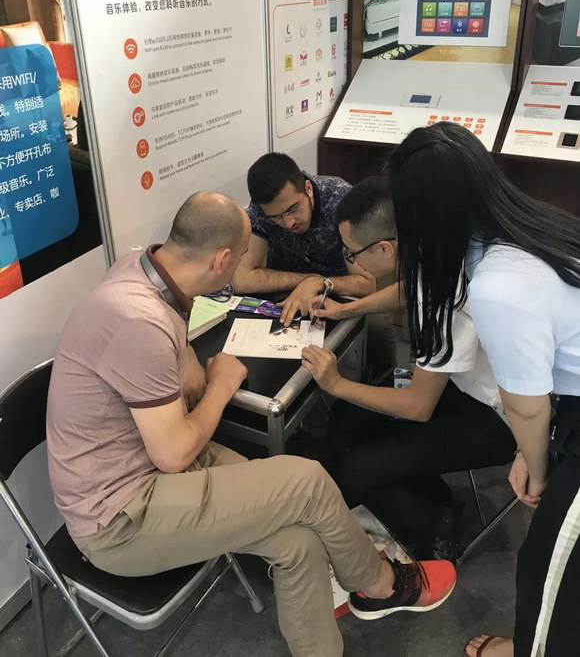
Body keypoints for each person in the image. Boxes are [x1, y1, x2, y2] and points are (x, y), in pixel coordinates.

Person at [46, 191, 456, 657]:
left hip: (148, 468)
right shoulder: (137, 321)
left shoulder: (148, 271)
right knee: (307, 481)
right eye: (242, 256)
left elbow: (183, 377)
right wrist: (221, 386)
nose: (243, 266)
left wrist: (199, 372)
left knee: (299, 542)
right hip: (120, 518)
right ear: (221, 260)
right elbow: (175, 452)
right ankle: (379, 584)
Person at [385, 122, 580, 657]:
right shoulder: (534, 226)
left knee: (547, 569)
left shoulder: (499, 285)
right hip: (570, 406)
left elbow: (525, 405)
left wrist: (537, 468)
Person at [301, 176, 516, 561]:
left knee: (357, 467)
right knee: (348, 417)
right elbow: (409, 287)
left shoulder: (447, 298)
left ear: (384, 248)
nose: (350, 260)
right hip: (459, 384)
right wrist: (348, 309)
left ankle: (438, 524)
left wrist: (335, 383)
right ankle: (425, 496)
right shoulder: (430, 245)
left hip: (498, 418)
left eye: (351, 253)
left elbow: (419, 407)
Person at [233, 151, 396, 382]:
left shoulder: (339, 200)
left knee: (377, 327)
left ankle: (383, 388)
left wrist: (320, 283)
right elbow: (242, 279)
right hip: (287, 292)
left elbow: (366, 284)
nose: (288, 223)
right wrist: (308, 281)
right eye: (276, 218)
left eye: (293, 209)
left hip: (341, 291)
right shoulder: (263, 210)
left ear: (308, 189)